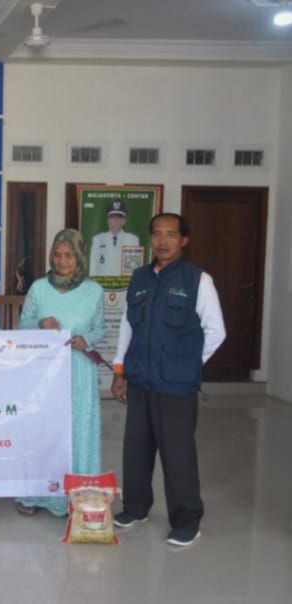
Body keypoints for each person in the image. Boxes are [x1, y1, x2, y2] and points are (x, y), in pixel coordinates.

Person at [111, 213, 226, 547]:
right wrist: (119, 370)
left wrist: (187, 364)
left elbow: (217, 331)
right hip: (140, 380)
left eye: (171, 235)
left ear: (183, 240)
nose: (163, 241)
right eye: (157, 234)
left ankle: (187, 521)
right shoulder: (140, 278)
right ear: (150, 238)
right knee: (136, 448)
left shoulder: (197, 280)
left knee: (178, 455)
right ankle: (135, 508)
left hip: (176, 386)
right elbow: (128, 325)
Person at [14, 229, 106, 518]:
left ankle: (77, 495)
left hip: (78, 370)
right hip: (45, 372)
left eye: (68, 255)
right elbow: (23, 326)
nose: (62, 261)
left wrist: (86, 339)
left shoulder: (94, 291)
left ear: (79, 257)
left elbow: (100, 328)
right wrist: (40, 324)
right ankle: (35, 494)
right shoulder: (39, 288)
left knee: (77, 431)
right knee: (43, 430)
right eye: (57, 254)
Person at [89, 201, 140, 277]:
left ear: (124, 221)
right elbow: (93, 267)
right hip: (102, 282)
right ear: (107, 220)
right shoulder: (97, 239)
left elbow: (133, 268)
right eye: (112, 217)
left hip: (124, 282)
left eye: (119, 217)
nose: (115, 221)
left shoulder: (132, 240)